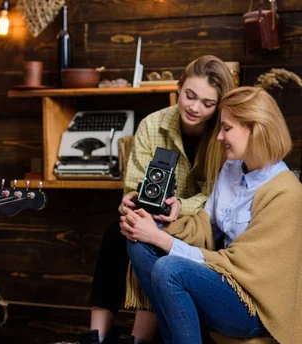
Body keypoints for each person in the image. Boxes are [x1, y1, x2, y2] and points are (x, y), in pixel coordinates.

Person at [121, 86, 302, 343]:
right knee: (139, 244)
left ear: (255, 129)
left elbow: (239, 265)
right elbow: (206, 225)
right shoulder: (231, 168)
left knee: (169, 269)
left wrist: (162, 240)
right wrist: (154, 224)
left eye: (227, 128)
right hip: (222, 281)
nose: (219, 137)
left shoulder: (286, 193)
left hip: (252, 304)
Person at [85, 55, 236, 344]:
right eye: (190, 96)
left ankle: (138, 338)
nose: (195, 107)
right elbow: (133, 185)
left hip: (203, 220)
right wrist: (130, 202)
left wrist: (182, 206)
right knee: (117, 232)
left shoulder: (223, 135)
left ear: (219, 105)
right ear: (179, 86)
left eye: (208, 103)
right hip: (153, 214)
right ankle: (96, 336)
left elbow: (219, 194)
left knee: (149, 239)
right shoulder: (152, 125)